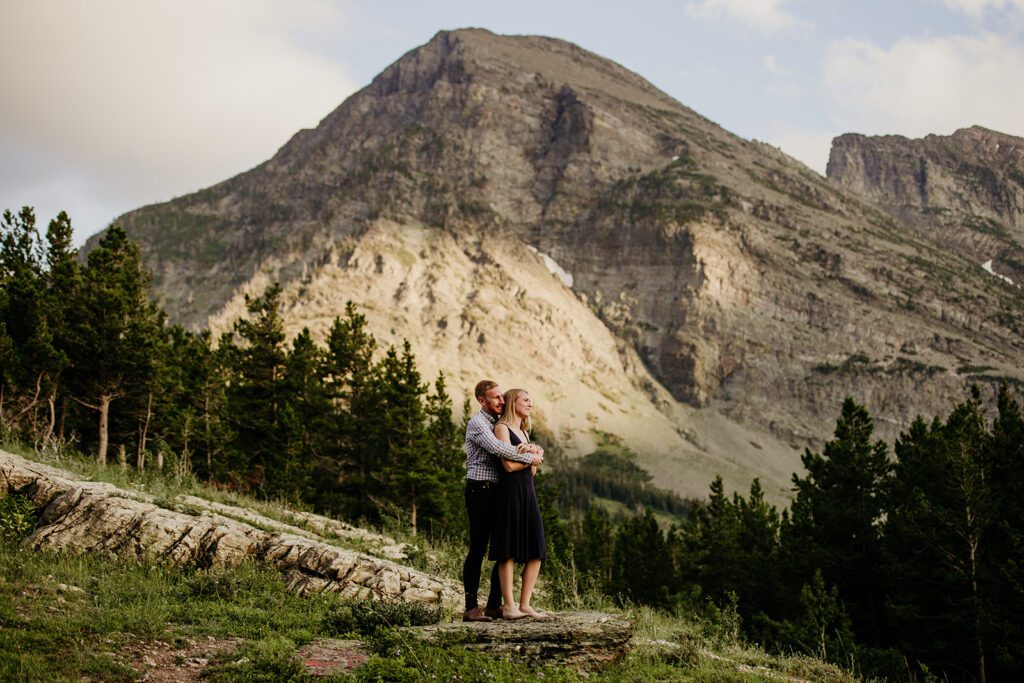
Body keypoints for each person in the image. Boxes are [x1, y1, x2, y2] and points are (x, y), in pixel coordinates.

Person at [462, 379, 544, 622]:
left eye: (502, 397)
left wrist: (531, 450)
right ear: (481, 400)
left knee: (502, 546)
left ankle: (495, 605)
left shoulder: (496, 422)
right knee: (478, 548)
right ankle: (470, 608)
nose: (502, 400)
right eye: (496, 397)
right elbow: (499, 449)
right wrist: (531, 454)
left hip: (499, 491)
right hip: (481, 490)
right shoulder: (478, 424)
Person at [490, 388, 549, 620]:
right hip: (508, 493)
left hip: (527, 492)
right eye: (526, 400)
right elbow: (508, 466)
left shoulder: (524, 432)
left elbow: (532, 471)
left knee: (537, 549)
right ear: (513, 401)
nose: (530, 404)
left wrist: (533, 452)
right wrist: (530, 457)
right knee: (508, 550)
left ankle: (525, 604)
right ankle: (509, 606)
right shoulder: (501, 428)